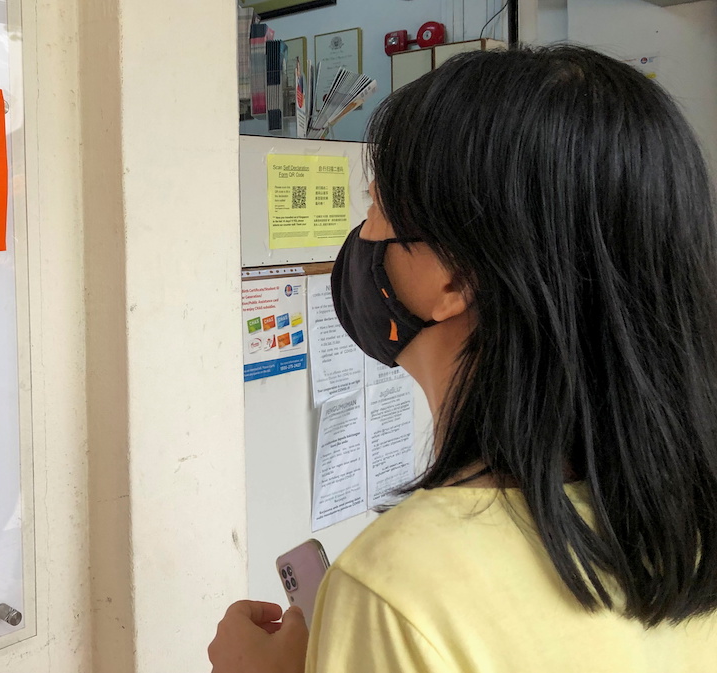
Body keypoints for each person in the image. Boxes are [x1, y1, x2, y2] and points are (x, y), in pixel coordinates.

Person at [209, 45, 717, 672]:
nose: (363, 235)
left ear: (453, 278)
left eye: (375, 206)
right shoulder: (690, 532)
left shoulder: (396, 590)